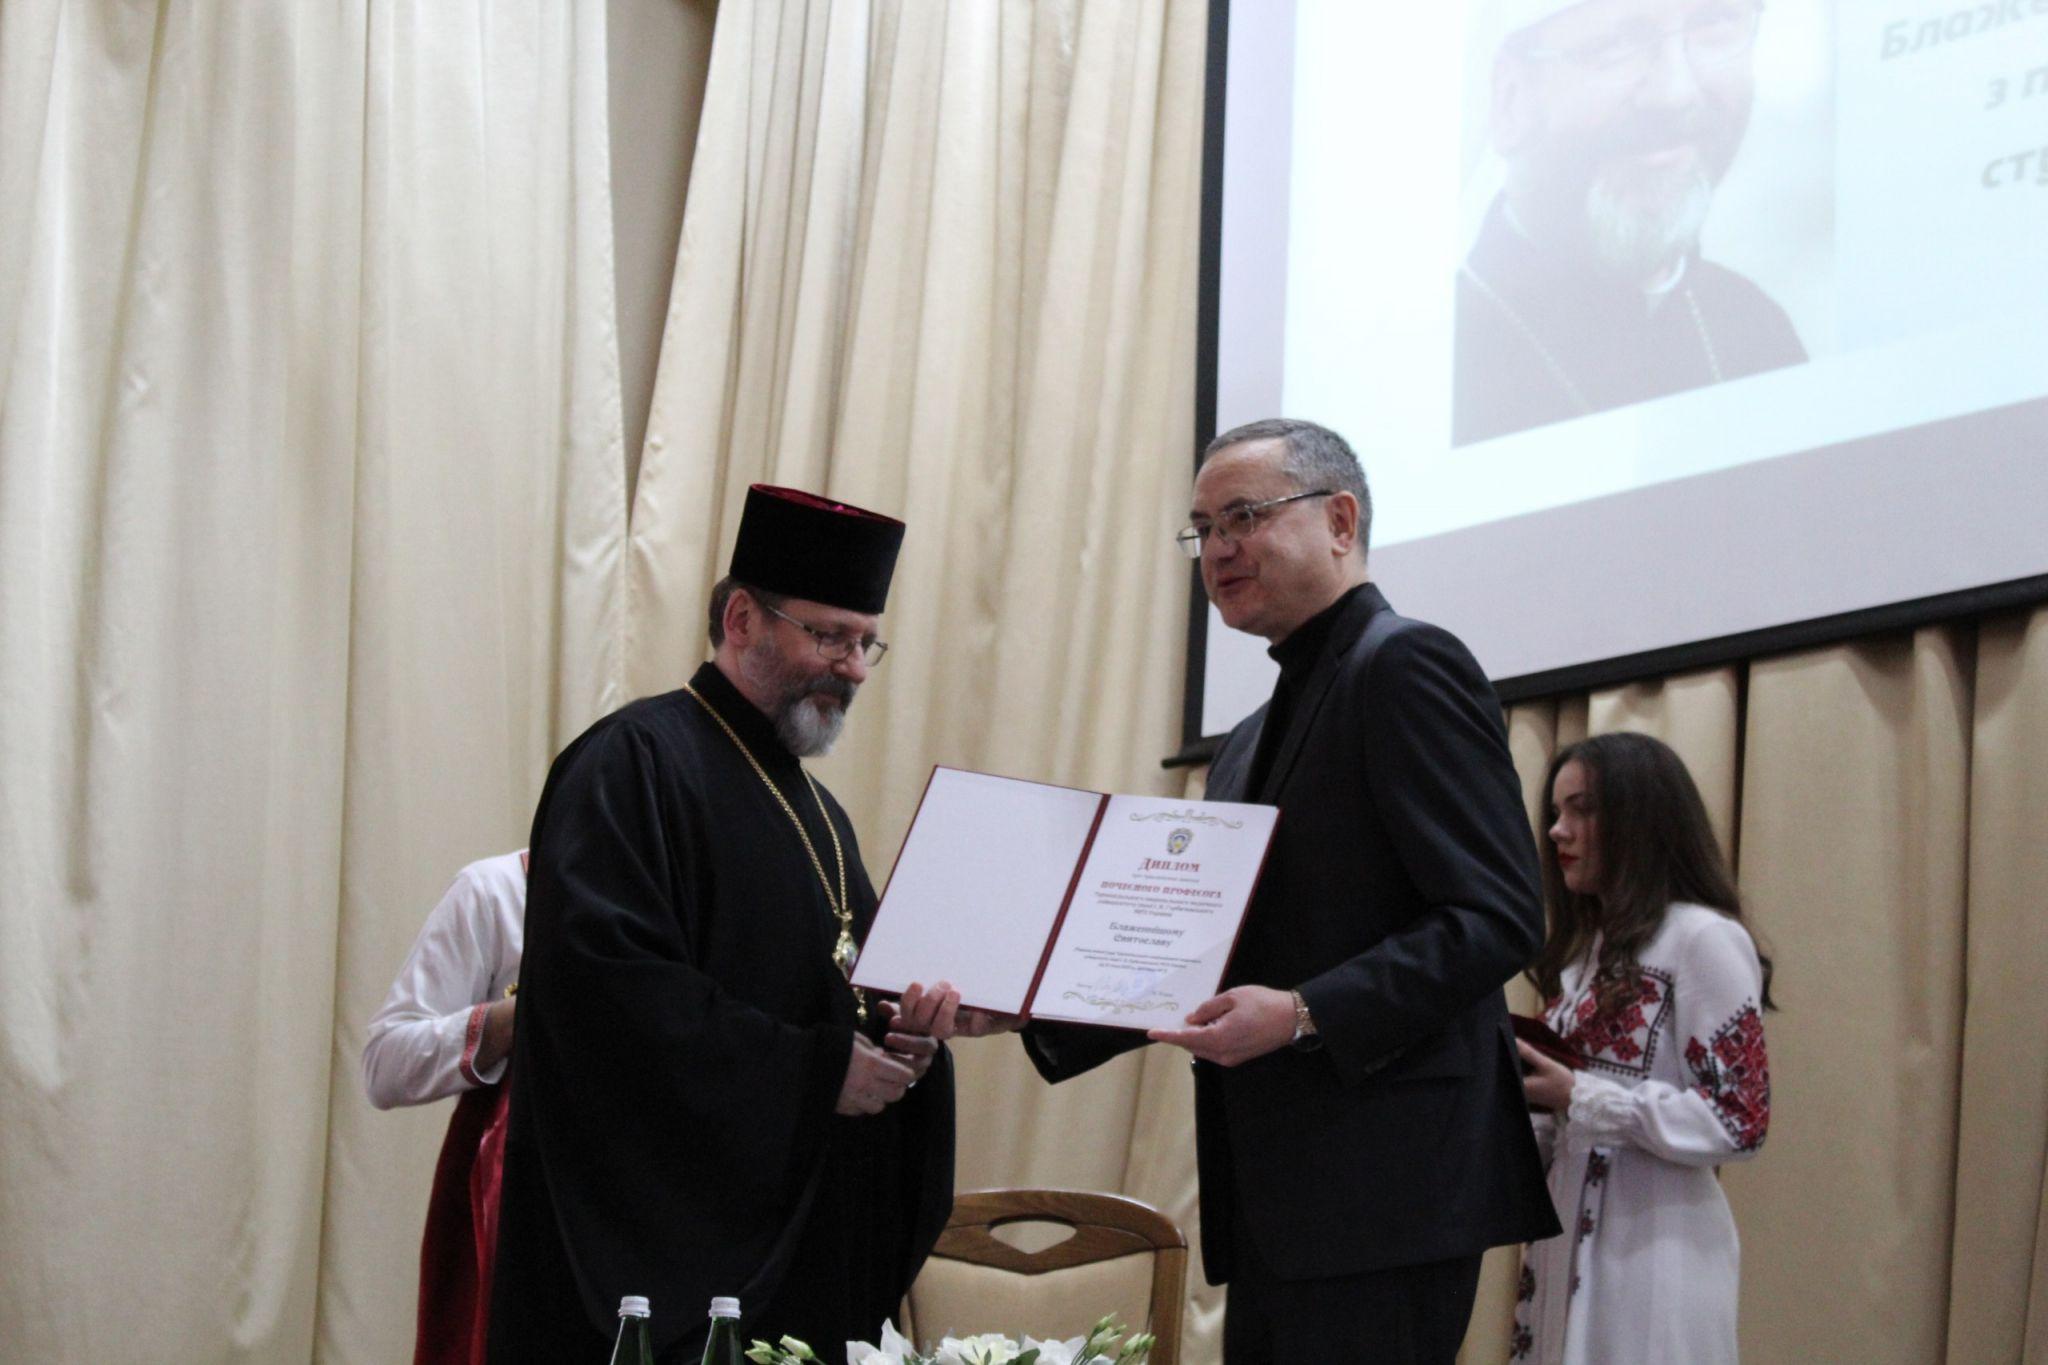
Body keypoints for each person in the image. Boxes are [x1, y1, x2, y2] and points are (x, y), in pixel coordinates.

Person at [1000, 418, 1559, 1362]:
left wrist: (1304, 1012)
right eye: (1203, 527)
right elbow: (1200, 957)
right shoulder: (1249, 738)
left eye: (1246, 516)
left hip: (1387, 1194)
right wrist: (1016, 1001)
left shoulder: (1406, 666)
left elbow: (1497, 913)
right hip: (1279, 1198)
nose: (1218, 548)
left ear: (1340, 520)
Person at [486, 485, 959, 1363]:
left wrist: (906, 1044)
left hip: (800, 1235)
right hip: (658, 1261)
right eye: (828, 635)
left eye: (866, 643)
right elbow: (603, 994)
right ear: (742, 618)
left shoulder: (820, 811)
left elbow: (850, 984)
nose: (852, 667)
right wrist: (818, 1071)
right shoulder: (629, 762)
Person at [1510, 731, 1772, 1363]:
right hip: (1564, 1245)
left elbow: (1740, 1121)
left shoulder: (1704, 939)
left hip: (1654, 1257)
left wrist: (1585, 1096)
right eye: (1555, 812)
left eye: (1582, 809)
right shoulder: (1584, 958)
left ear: (1641, 818)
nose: (1557, 831)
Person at [1452, 0, 1808, 446]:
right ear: (1510, 98)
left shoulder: (1757, 330)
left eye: (1715, 22)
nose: (1675, 93)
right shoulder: (1441, 362)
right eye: (1615, 45)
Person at [364, 849, 527, 1365]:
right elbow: (385, 1065)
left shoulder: (703, 896)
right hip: (515, 1210)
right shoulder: (498, 890)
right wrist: (512, 1020)